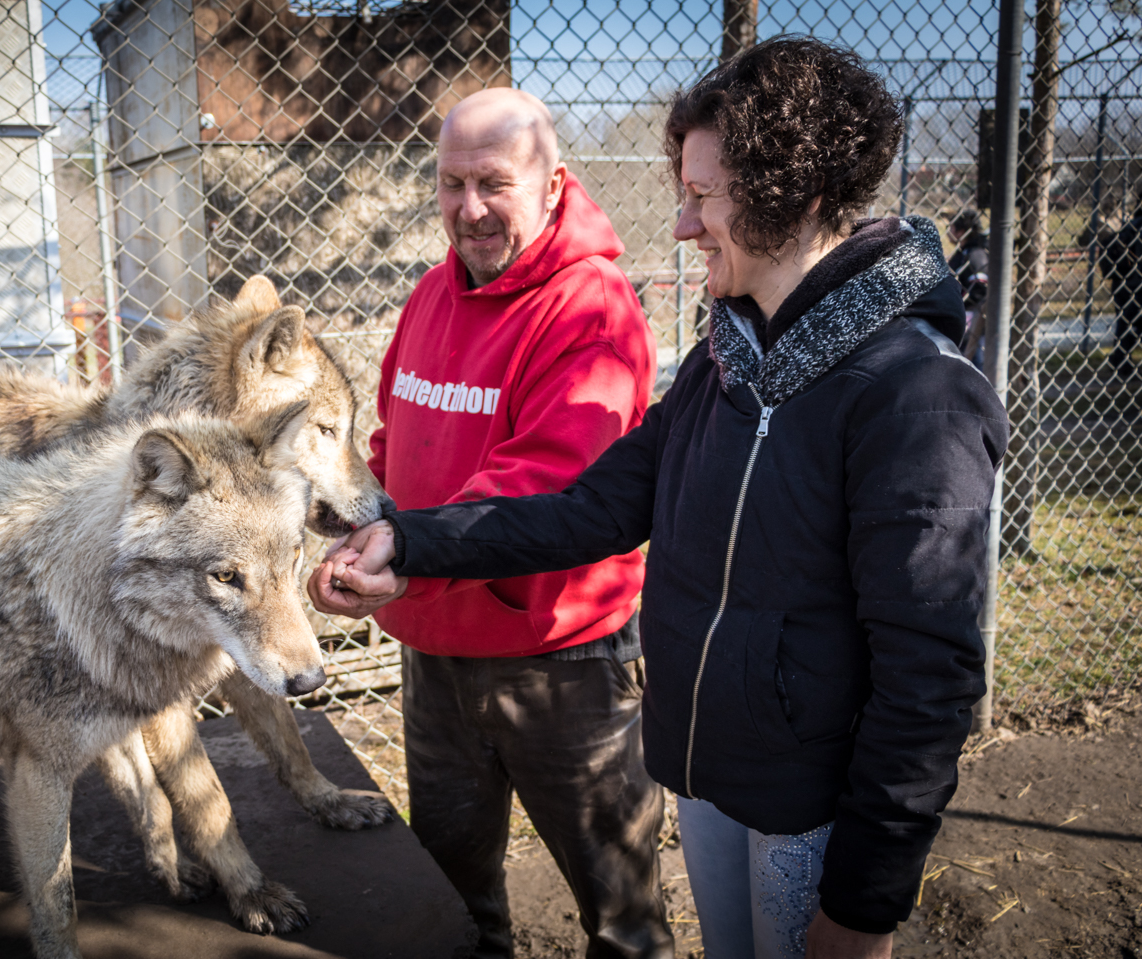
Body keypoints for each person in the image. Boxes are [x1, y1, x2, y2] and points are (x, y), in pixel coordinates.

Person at [316, 38, 1008, 959]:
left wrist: (867, 901)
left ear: (793, 197)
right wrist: (409, 545)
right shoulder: (728, 365)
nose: (680, 226)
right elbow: (588, 508)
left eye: (702, 197)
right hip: (711, 775)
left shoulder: (916, 393)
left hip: (810, 805)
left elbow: (928, 681)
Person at [308, 87, 673, 958]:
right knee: (449, 891)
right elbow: (397, 445)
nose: (468, 209)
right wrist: (357, 538)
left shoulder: (592, 307)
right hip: (435, 644)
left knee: (619, 910)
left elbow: (547, 483)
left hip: (560, 659)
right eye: (450, 182)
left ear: (552, 184)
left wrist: (407, 550)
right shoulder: (433, 293)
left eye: (494, 183)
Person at [1100, 202, 1142, 376]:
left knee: (1125, 324)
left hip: (1121, 283)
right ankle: (1121, 362)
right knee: (1131, 325)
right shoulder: (1138, 226)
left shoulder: (1131, 224)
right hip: (1136, 285)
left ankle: (1120, 361)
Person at [946, 210, 989, 367]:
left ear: (962, 232)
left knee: (975, 361)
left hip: (972, 316)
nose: (949, 232)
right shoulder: (963, 252)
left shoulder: (975, 254)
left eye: (952, 227)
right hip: (963, 316)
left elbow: (980, 288)